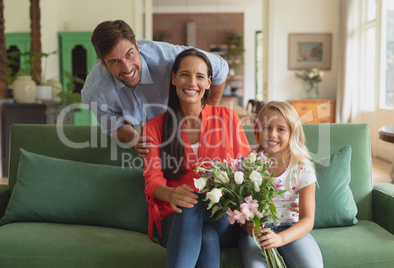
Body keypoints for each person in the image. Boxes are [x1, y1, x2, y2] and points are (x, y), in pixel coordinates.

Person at [143, 48, 251, 267]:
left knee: (197, 202)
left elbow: (246, 169)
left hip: (222, 217)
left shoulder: (227, 118)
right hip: (174, 219)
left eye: (200, 76)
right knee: (203, 230)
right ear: (174, 78)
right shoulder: (154, 127)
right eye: (184, 74)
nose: (192, 82)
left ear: (209, 82)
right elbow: (152, 180)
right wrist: (172, 194)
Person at [81, 20, 229, 157]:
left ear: (137, 47)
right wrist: (135, 140)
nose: (127, 68)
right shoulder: (95, 93)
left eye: (129, 54)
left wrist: (207, 113)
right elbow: (114, 125)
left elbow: (220, 68)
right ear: (104, 64)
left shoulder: (169, 59)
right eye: (115, 61)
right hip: (148, 140)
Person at [239, 101, 323, 268]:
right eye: (267, 127)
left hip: (292, 229)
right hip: (258, 232)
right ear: (257, 130)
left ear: (293, 133)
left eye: (281, 129)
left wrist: (281, 239)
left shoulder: (301, 169)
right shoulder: (249, 164)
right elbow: (241, 209)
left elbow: (307, 220)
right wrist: (246, 226)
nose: (272, 134)